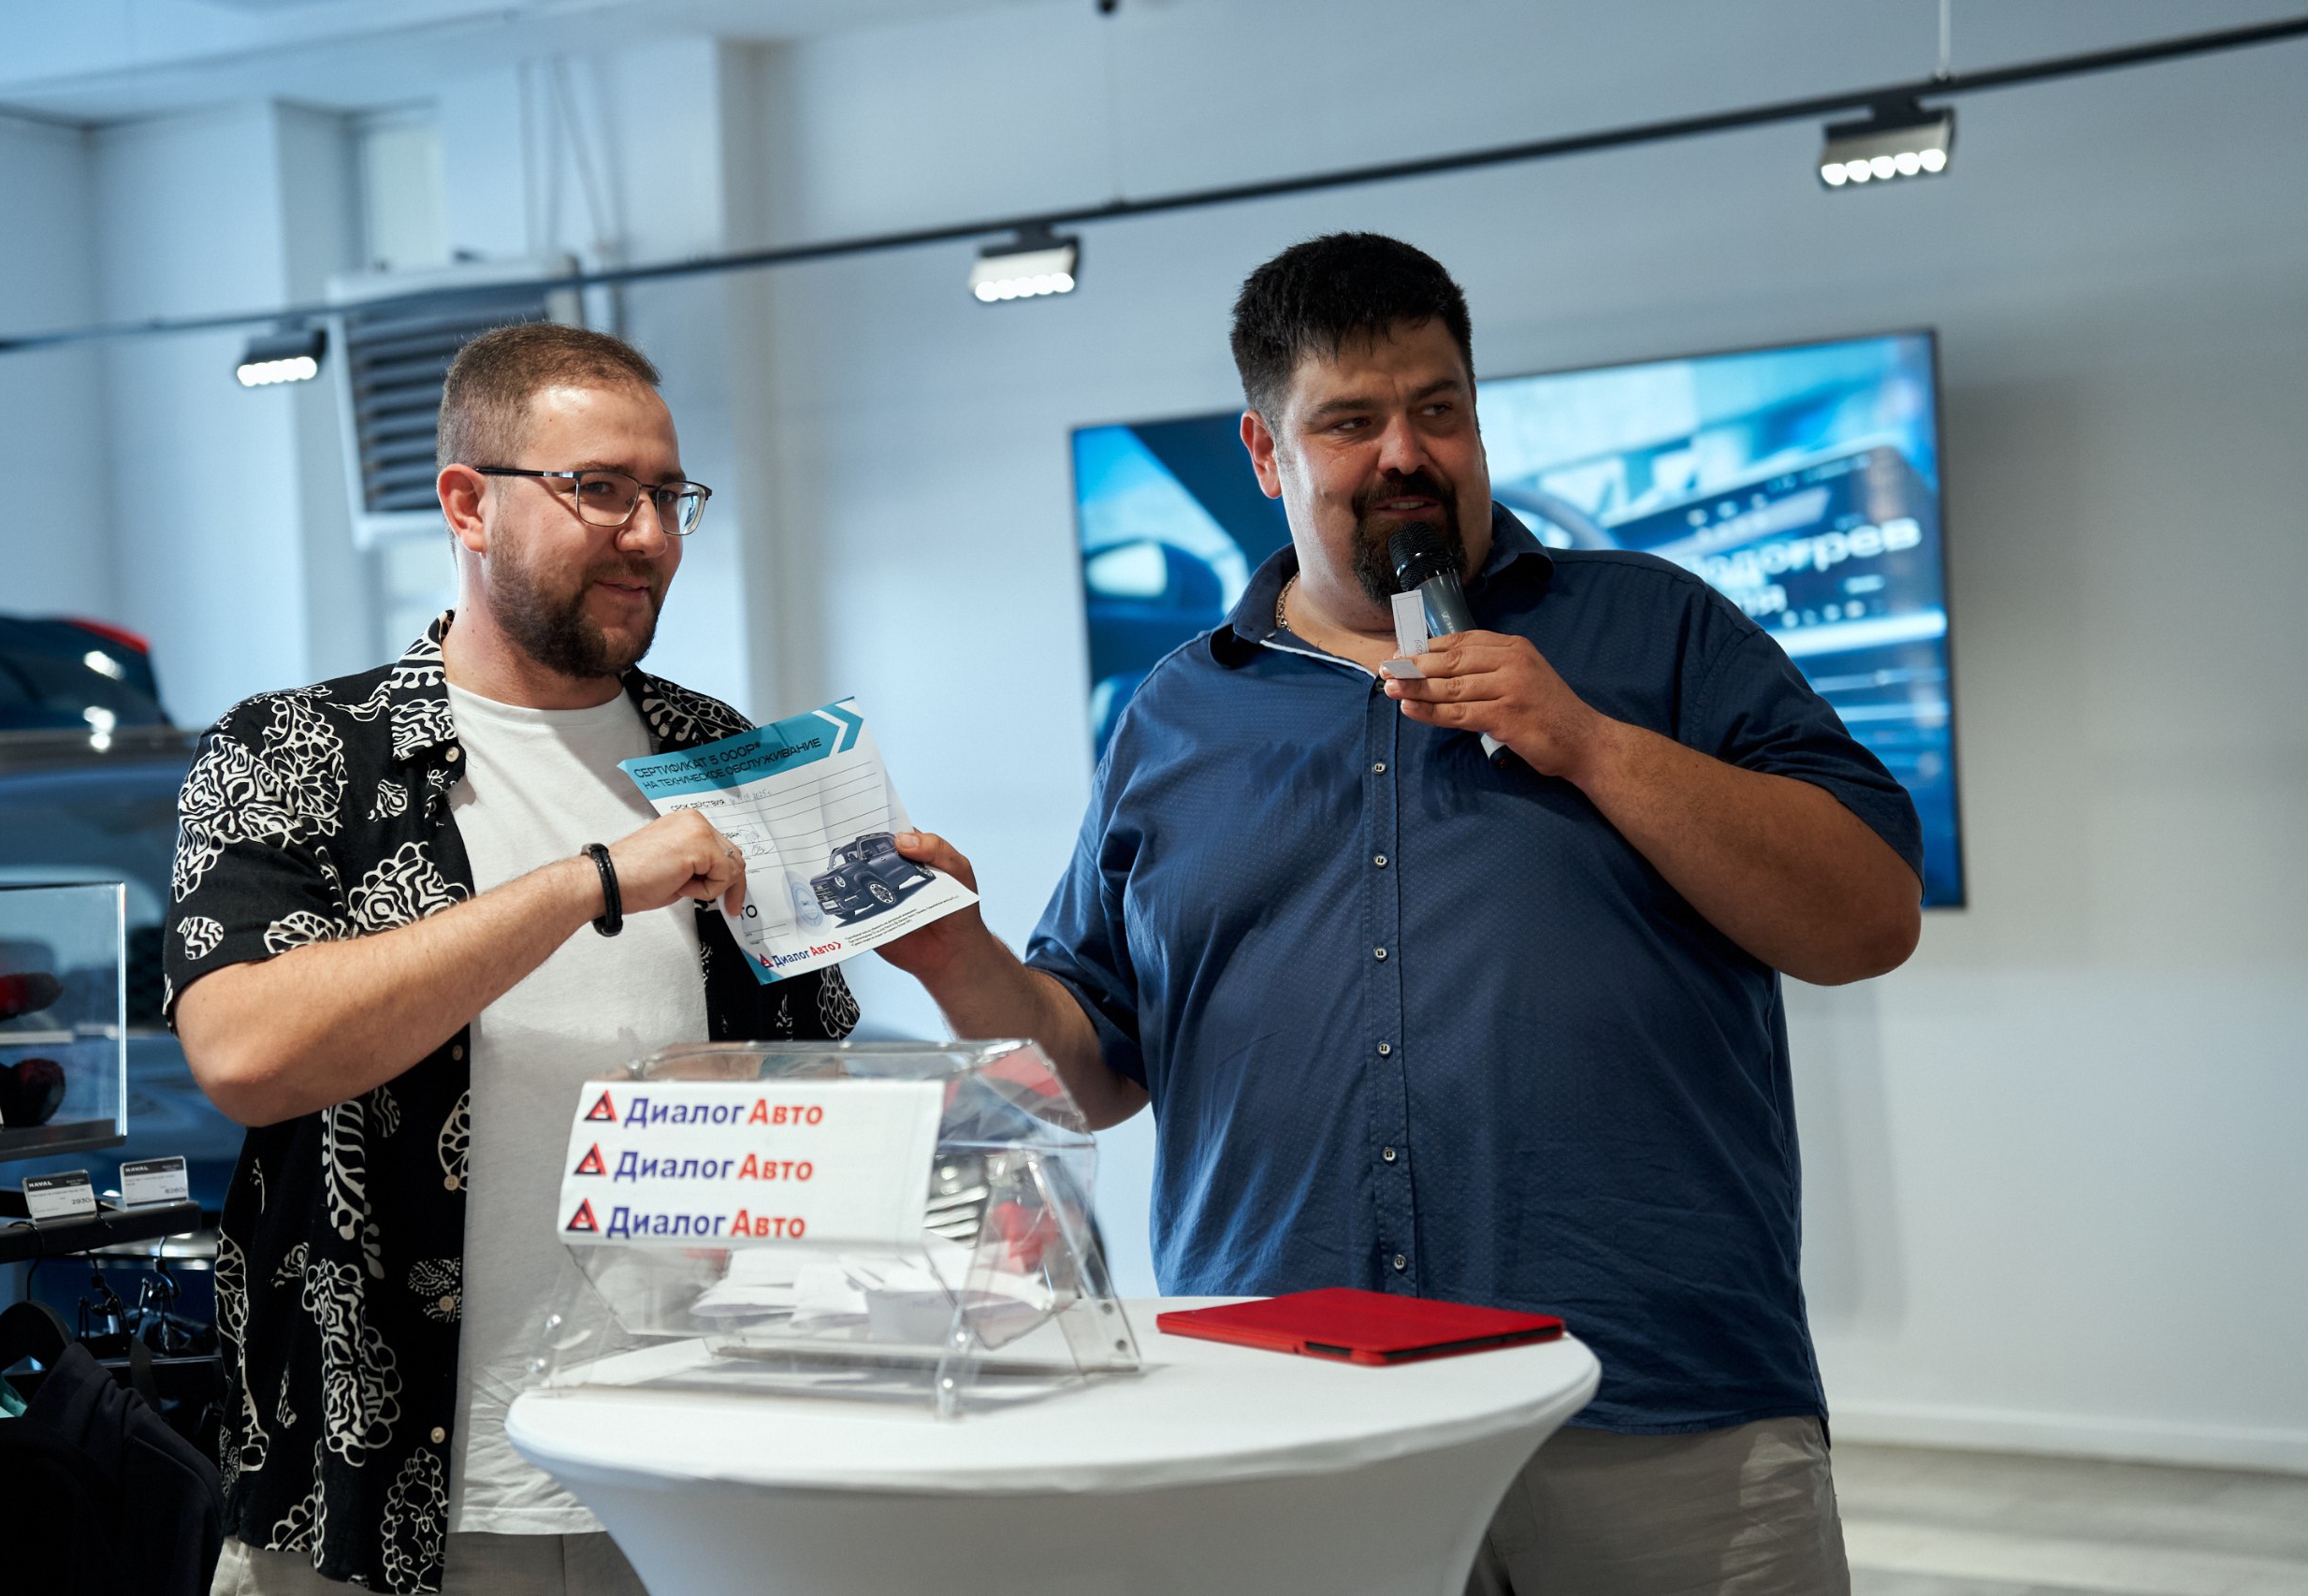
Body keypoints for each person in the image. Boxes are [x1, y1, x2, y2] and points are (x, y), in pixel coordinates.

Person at [879, 233, 1923, 1594]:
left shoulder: (1659, 632)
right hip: (1287, 1406)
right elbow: (1091, 1076)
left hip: (1655, 1405)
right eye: (1350, 422)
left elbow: (1868, 916)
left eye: (1439, 409)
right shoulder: (1173, 715)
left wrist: (1591, 742)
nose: (1405, 454)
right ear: (1265, 452)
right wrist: (959, 961)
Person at [167, 323, 856, 1595]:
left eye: (670, 495)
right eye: (600, 489)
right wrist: (591, 881)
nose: (650, 535)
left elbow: (814, 1088)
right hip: (377, 1505)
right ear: (468, 504)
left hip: (691, 1483)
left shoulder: (723, 752)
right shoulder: (298, 751)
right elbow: (247, 1053)